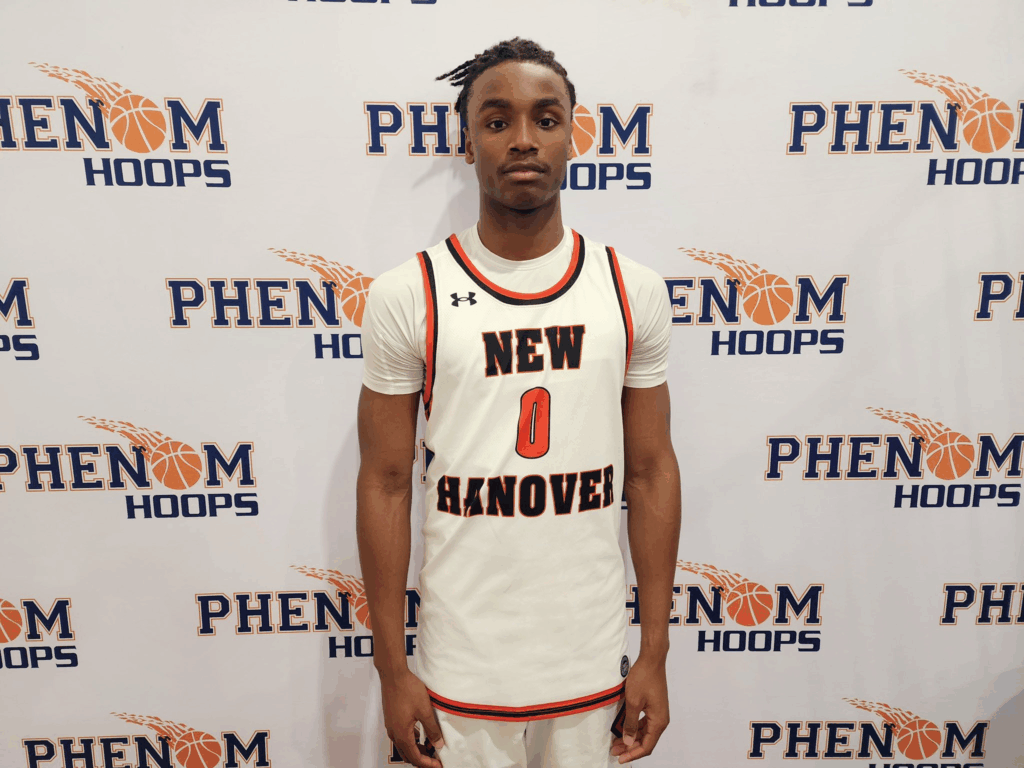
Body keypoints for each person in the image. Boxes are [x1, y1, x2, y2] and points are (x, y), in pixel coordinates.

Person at [356, 37, 681, 768]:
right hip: (457, 666)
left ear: (573, 136)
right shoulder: (409, 293)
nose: (524, 139)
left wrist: (655, 652)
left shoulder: (631, 290)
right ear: (468, 143)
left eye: (546, 118)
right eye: (497, 121)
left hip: (591, 660)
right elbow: (384, 482)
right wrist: (392, 669)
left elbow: (651, 471)